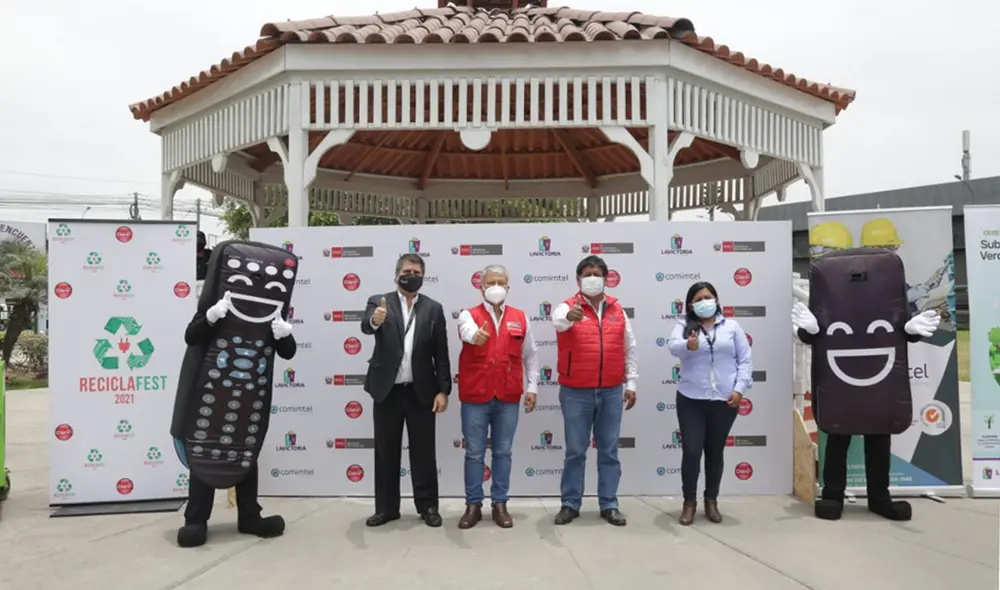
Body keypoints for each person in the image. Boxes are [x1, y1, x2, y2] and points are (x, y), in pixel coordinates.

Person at [171, 241, 297, 548]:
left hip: (249, 396)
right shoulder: (214, 311)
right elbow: (192, 336)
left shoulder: (272, 317)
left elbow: (288, 353)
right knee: (206, 450)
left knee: (245, 452)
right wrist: (212, 316)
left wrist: (286, 334)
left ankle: (250, 515)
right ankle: (196, 519)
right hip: (211, 393)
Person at [360, 253, 451, 528]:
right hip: (387, 391)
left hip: (421, 392)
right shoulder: (379, 301)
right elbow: (366, 327)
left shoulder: (433, 308)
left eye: (417, 271)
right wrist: (376, 319)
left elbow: (441, 353)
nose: (412, 275)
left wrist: (443, 390)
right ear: (396, 275)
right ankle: (386, 509)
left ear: (423, 276)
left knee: (424, 453)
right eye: (407, 271)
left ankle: (428, 507)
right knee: (386, 452)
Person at [550, 255, 637, 526]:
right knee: (575, 450)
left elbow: (629, 347)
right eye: (587, 274)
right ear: (578, 279)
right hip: (576, 391)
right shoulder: (566, 307)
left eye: (597, 274)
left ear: (606, 278)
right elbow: (559, 322)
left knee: (609, 450)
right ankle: (570, 504)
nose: (592, 278)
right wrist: (571, 316)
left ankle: (609, 504)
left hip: (611, 389)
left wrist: (631, 382)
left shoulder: (617, 310)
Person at [455, 264, 539, 529]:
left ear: (508, 286)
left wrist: (533, 387)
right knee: (474, 454)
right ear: (481, 287)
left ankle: (500, 504)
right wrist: (474, 335)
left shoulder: (521, 317)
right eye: (490, 282)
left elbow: (531, 355)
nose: (495, 286)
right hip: (475, 396)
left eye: (500, 282)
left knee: (503, 451)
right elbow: (466, 331)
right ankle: (473, 505)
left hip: (507, 396)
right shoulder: (468, 315)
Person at [666, 281, 752, 526]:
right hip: (691, 399)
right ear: (691, 305)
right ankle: (689, 502)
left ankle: (711, 501)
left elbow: (745, 361)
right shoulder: (684, 326)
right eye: (699, 298)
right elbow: (673, 347)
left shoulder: (732, 327)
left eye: (708, 296)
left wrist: (739, 389)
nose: (705, 301)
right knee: (692, 450)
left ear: (716, 299)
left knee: (715, 452)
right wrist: (688, 346)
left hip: (725, 400)